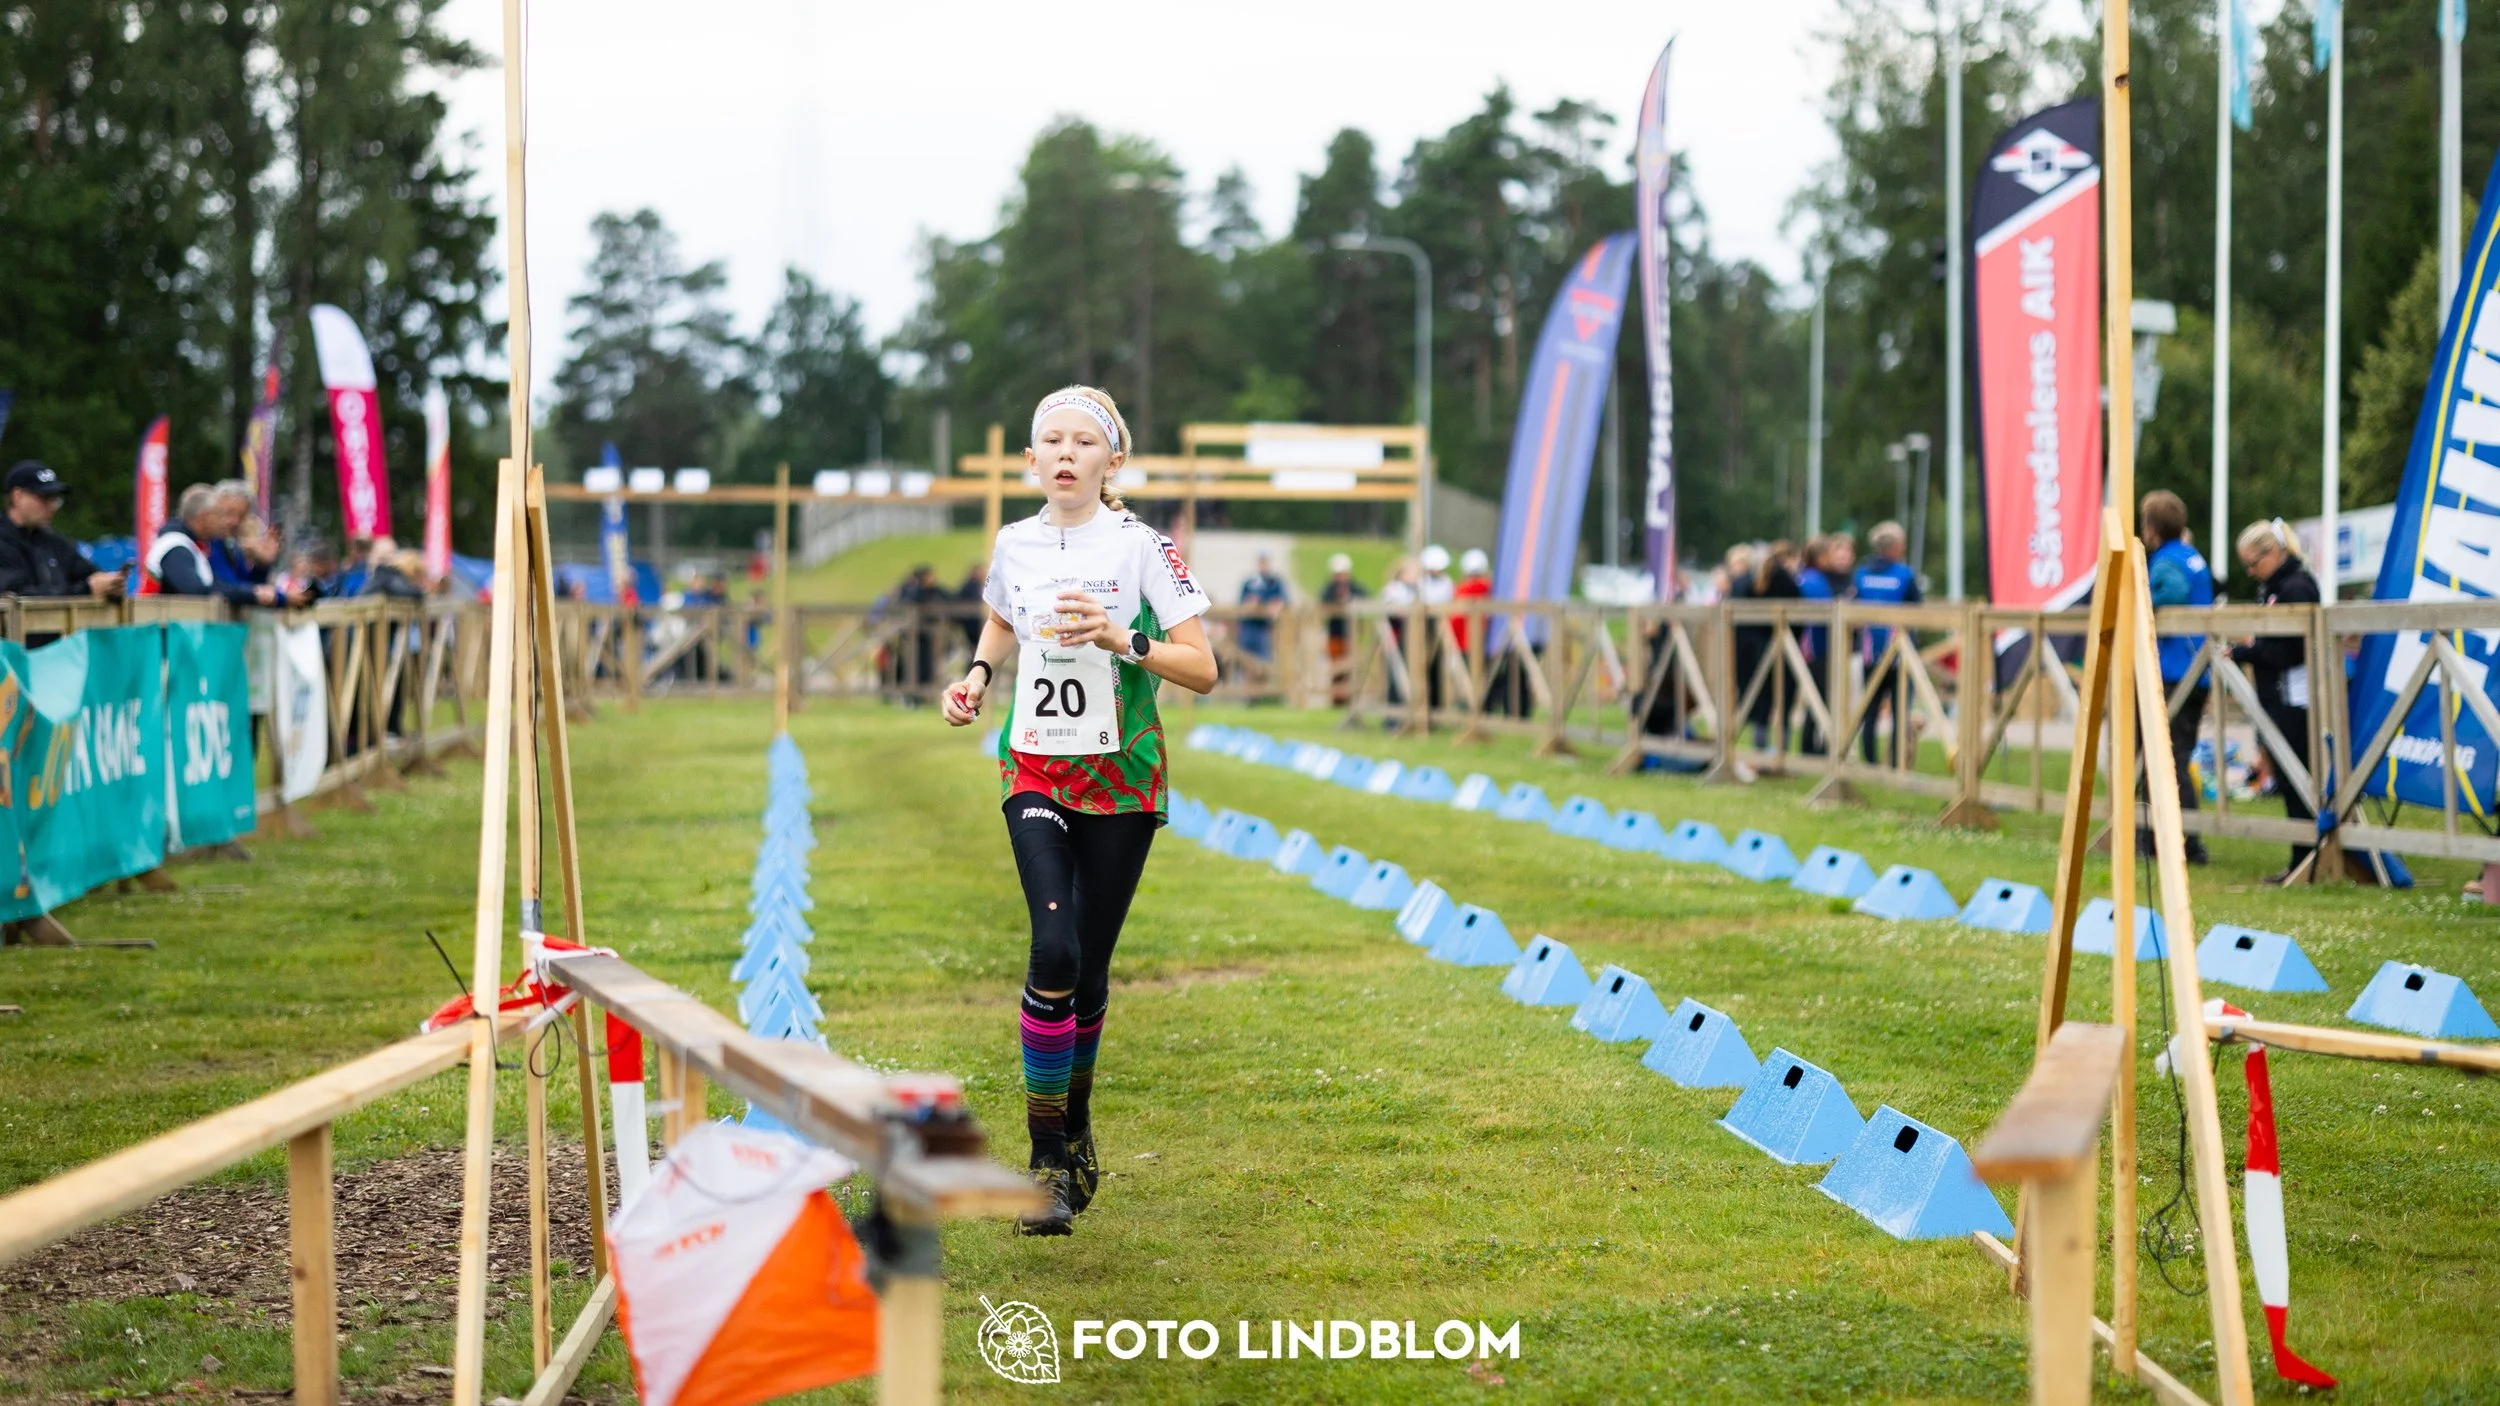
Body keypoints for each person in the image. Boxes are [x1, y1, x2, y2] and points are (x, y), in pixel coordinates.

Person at [939, 386, 1218, 1236]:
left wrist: (1121, 639)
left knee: (1089, 974)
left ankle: (1076, 1117)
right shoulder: (1014, 542)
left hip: (1123, 779)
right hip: (1035, 771)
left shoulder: (1143, 548)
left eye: (1082, 442)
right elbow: (1000, 615)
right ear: (1032, 461)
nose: (1065, 454)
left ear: (1111, 460)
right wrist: (979, 678)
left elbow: (1202, 670)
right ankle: (1045, 1157)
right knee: (1052, 948)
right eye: (1050, 442)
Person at [2229, 519, 2322, 882]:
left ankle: (2306, 861)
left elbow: (2289, 652)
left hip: (2295, 699)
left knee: (2298, 780)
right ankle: (2302, 859)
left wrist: (2244, 652)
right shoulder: (2275, 586)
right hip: (2278, 696)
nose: (2251, 573)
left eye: (2254, 563)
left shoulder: (2296, 587)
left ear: (2275, 552)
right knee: (2286, 779)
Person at [2142, 490, 2215, 864]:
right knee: (2175, 755)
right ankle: (2172, 837)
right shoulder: (2193, 557)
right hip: (2195, 669)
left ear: (2151, 528)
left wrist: (2141, 605)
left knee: (2163, 756)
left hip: (2174, 671)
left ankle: (2180, 841)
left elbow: (2173, 591)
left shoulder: (2166, 561)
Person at [148, 483, 304, 606]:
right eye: (224, 513)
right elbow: (207, 590)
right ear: (205, 515)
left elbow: (238, 588)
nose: (231, 521)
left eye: (241, 515)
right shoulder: (180, 545)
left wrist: (261, 565)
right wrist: (274, 598)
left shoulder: (222, 545)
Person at [0, 461, 123, 600]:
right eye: (44, 498)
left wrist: (111, 584)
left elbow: (89, 573)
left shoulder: (54, 542)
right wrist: (86, 590)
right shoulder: (3, 542)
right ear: (18, 496)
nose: (52, 507)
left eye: (55, 499)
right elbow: (16, 596)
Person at [1852, 521, 1922, 767]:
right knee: (1900, 711)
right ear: (1895, 547)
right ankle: (1895, 763)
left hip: (1871, 652)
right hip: (1899, 654)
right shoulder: (1904, 574)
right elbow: (1918, 611)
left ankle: (1869, 761)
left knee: (1869, 710)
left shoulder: (1861, 574)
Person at [1319, 553, 1367, 703]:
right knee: (1336, 669)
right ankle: (1337, 699)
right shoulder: (1329, 589)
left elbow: (1365, 597)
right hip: (1335, 634)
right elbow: (1323, 602)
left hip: (1351, 634)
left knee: (1350, 668)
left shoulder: (1354, 588)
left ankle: (1350, 697)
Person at [1236, 552, 1287, 663]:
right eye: (1261, 562)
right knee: (1246, 660)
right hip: (1249, 627)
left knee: (1265, 661)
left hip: (1267, 628)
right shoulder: (1249, 582)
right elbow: (1241, 604)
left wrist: (1272, 606)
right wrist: (1251, 605)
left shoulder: (1275, 583)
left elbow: (1282, 601)